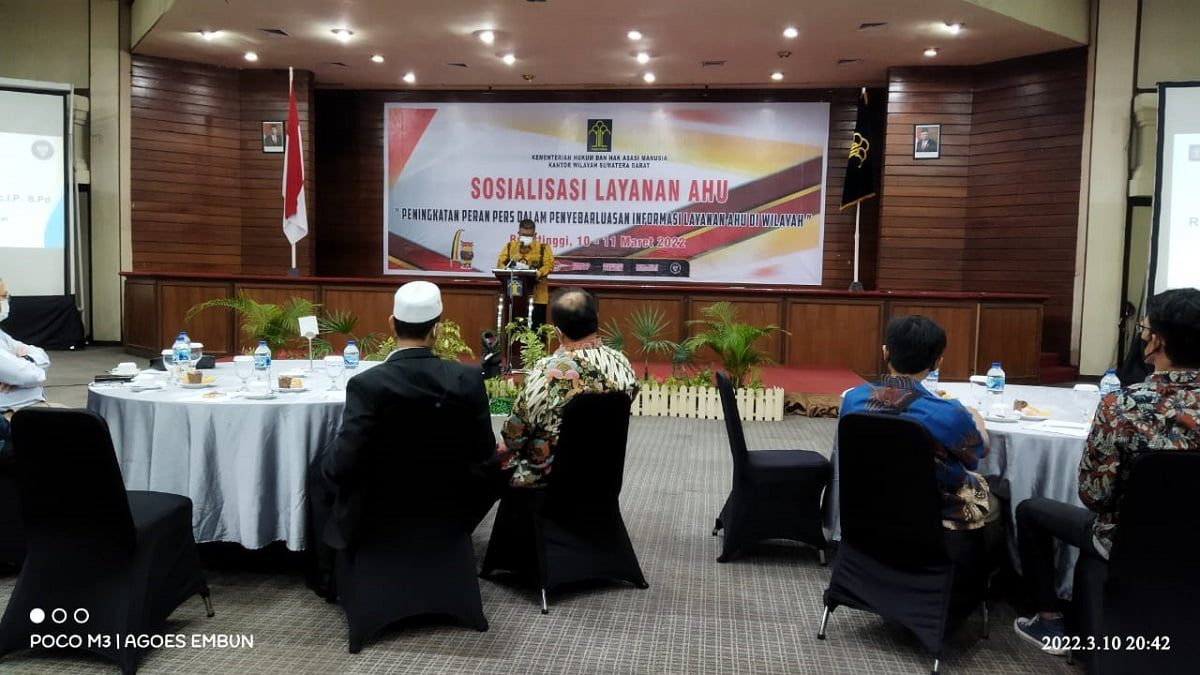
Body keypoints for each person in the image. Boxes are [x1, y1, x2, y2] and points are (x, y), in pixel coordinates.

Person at [1013, 288, 1200, 654]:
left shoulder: (1121, 406)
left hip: (1127, 541)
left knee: (1030, 510)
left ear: (1157, 341)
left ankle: (1049, 620)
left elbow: (1094, 497)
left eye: (1144, 329)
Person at [307, 281, 502, 594]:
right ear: (437, 329)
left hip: (378, 506)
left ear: (391, 324)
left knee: (320, 470)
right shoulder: (467, 379)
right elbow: (484, 452)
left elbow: (343, 463)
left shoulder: (368, 384)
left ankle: (328, 575)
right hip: (448, 504)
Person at [839, 315, 1000, 559]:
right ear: (937, 362)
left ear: (886, 352)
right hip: (933, 513)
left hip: (867, 505)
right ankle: (980, 572)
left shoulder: (853, 399)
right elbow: (980, 450)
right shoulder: (950, 413)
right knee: (998, 500)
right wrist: (976, 417)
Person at [498, 287, 638, 488]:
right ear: (597, 319)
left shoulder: (547, 373)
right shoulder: (622, 364)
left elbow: (513, 437)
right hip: (602, 483)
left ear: (557, 332)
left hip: (543, 489)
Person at [0, 278, 52, 417]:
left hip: (25, 408)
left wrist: (25, 360)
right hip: (10, 414)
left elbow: (42, 356)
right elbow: (32, 376)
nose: (6, 301)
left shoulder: (2, 334)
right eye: (3, 296)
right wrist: (19, 374)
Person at [496, 219, 554, 330]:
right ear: (518, 233)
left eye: (529, 236)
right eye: (523, 235)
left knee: (536, 333)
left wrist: (538, 273)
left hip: (537, 298)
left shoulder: (543, 248)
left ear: (535, 235)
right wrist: (507, 269)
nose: (526, 238)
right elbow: (501, 263)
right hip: (515, 297)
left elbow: (549, 265)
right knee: (515, 331)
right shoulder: (510, 247)